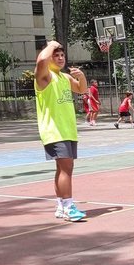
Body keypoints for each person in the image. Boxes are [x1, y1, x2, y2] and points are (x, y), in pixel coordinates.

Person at [34, 40, 87, 222]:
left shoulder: (64, 77)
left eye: (62, 55)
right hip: (54, 131)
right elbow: (41, 61)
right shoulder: (45, 77)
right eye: (56, 55)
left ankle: (61, 206)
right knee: (67, 169)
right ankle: (69, 206)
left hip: (68, 130)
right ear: (49, 57)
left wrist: (82, 77)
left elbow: (81, 89)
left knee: (62, 169)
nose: (60, 58)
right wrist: (51, 45)